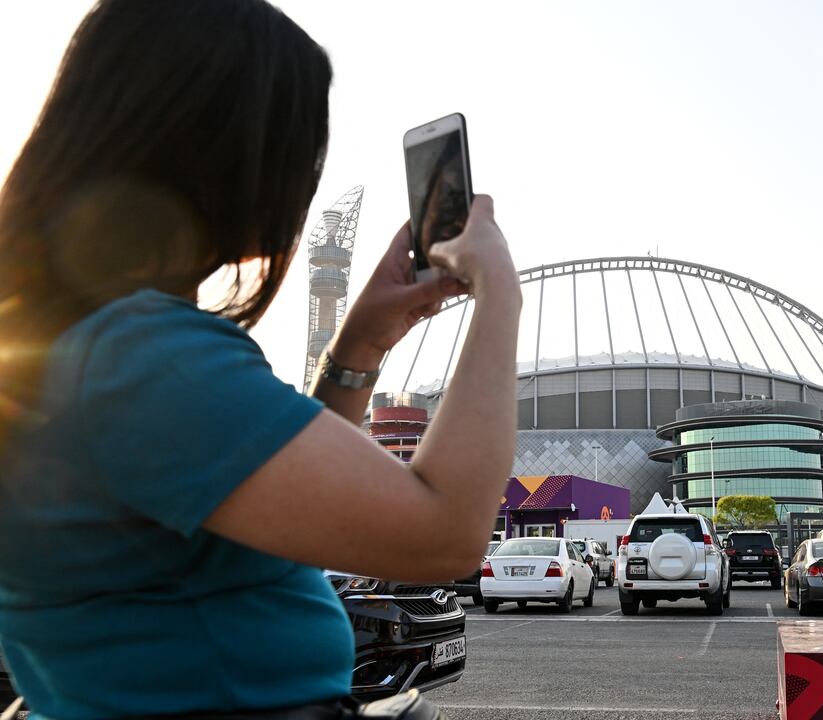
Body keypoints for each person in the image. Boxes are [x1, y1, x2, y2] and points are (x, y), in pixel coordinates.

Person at [0, 1, 520, 718]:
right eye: (298, 144)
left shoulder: (79, 343)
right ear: (225, 150)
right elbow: (446, 535)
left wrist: (359, 345)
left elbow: (274, 489)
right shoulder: (151, 360)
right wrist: (499, 292)